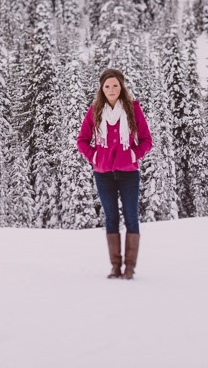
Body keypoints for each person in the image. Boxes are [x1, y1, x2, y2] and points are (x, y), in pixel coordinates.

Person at [76, 68, 152, 279]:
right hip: (103, 174)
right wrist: (94, 157)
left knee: (131, 218)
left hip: (129, 173)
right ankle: (115, 267)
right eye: (107, 86)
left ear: (121, 87)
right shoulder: (95, 111)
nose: (111, 89)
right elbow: (82, 140)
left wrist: (133, 156)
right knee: (111, 218)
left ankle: (129, 268)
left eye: (115, 85)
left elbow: (147, 140)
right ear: (102, 88)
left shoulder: (132, 109)